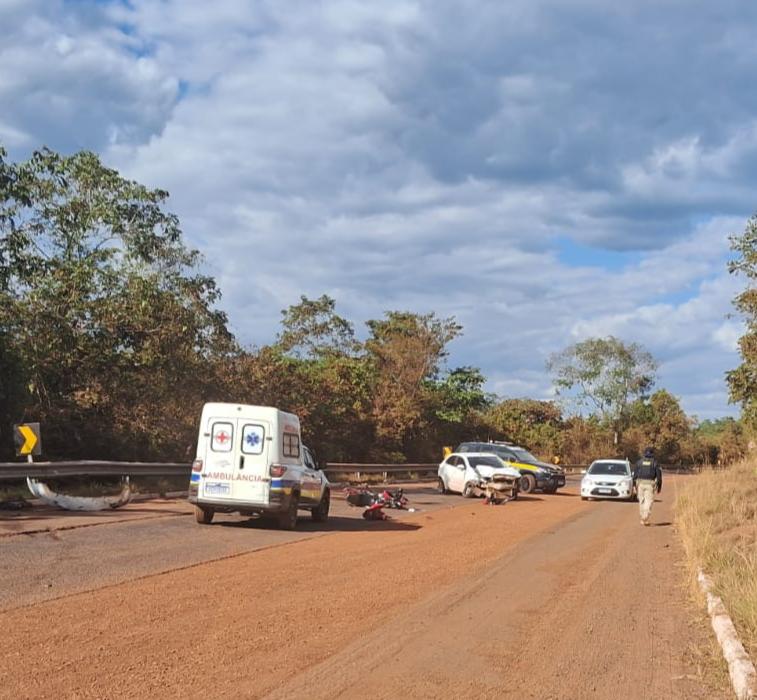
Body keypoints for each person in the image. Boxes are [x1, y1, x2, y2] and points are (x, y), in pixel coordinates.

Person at [633, 447, 662, 526]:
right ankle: (644, 517)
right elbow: (659, 476)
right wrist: (659, 487)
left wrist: (634, 485)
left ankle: (643, 517)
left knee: (641, 501)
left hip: (640, 484)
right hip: (650, 484)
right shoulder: (655, 463)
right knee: (648, 501)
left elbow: (635, 475)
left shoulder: (639, 462)